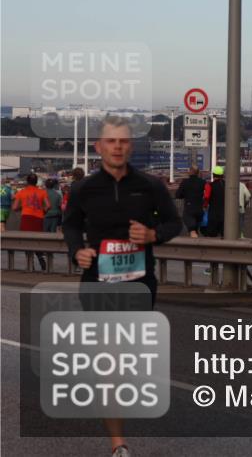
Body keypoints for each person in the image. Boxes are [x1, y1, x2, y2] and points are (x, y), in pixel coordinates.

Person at [62, 115, 182, 457]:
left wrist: (154, 234)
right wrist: (77, 251)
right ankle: (119, 445)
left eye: (123, 141)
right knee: (111, 365)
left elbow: (175, 222)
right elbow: (71, 226)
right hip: (97, 283)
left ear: (131, 147)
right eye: (111, 141)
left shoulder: (150, 186)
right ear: (99, 147)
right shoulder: (83, 189)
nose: (117, 147)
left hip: (139, 284)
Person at [12, 173, 51, 270]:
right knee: (37, 240)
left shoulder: (21, 192)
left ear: (27, 181)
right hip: (38, 218)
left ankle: (30, 264)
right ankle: (40, 256)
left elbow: (14, 207)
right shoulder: (42, 192)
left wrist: (22, 207)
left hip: (26, 218)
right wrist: (43, 212)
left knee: (27, 241)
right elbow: (48, 206)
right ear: (36, 181)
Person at [175, 166, 205, 238]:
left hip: (189, 209)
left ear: (190, 172)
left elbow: (178, 195)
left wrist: (185, 195)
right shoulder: (203, 182)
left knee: (192, 229)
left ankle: (193, 235)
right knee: (196, 228)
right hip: (200, 209)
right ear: (198, 173)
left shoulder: (185, 182)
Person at [201, 166, 226, 237]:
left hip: (213, 214)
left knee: (212, 235)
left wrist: (205, 206)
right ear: (222, 175)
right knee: (224, 235)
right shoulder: (227, 185)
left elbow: (206, 197)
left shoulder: (209, 185)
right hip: (225, 214)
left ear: (213, 175)